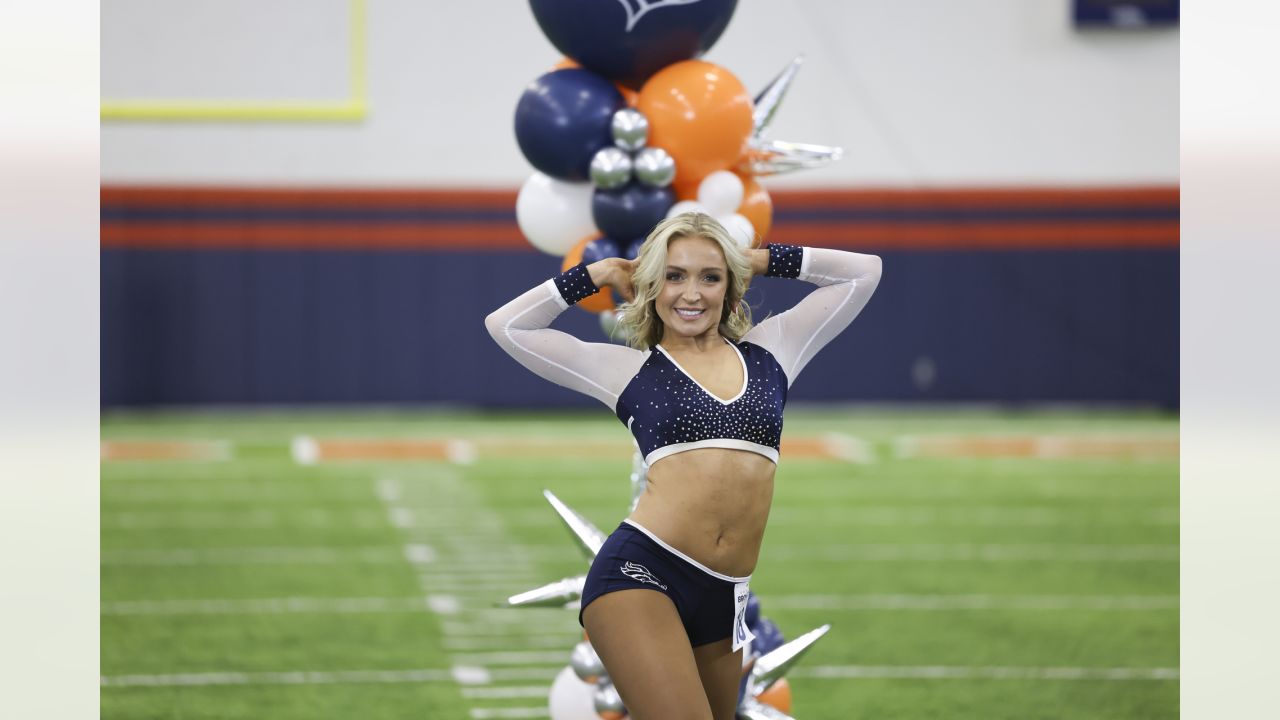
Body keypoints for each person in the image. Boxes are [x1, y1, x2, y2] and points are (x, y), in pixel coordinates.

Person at [485, 212, 881, 720]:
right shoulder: (628, 369)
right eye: (674, 276)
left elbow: (864, 272)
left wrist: (758, 259)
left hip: (725, 594)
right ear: (651, 286)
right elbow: (506, 326)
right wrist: (600, 273)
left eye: (709, 277)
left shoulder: (773, 352)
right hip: (641, 571)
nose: (691, 293)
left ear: (730, 288)